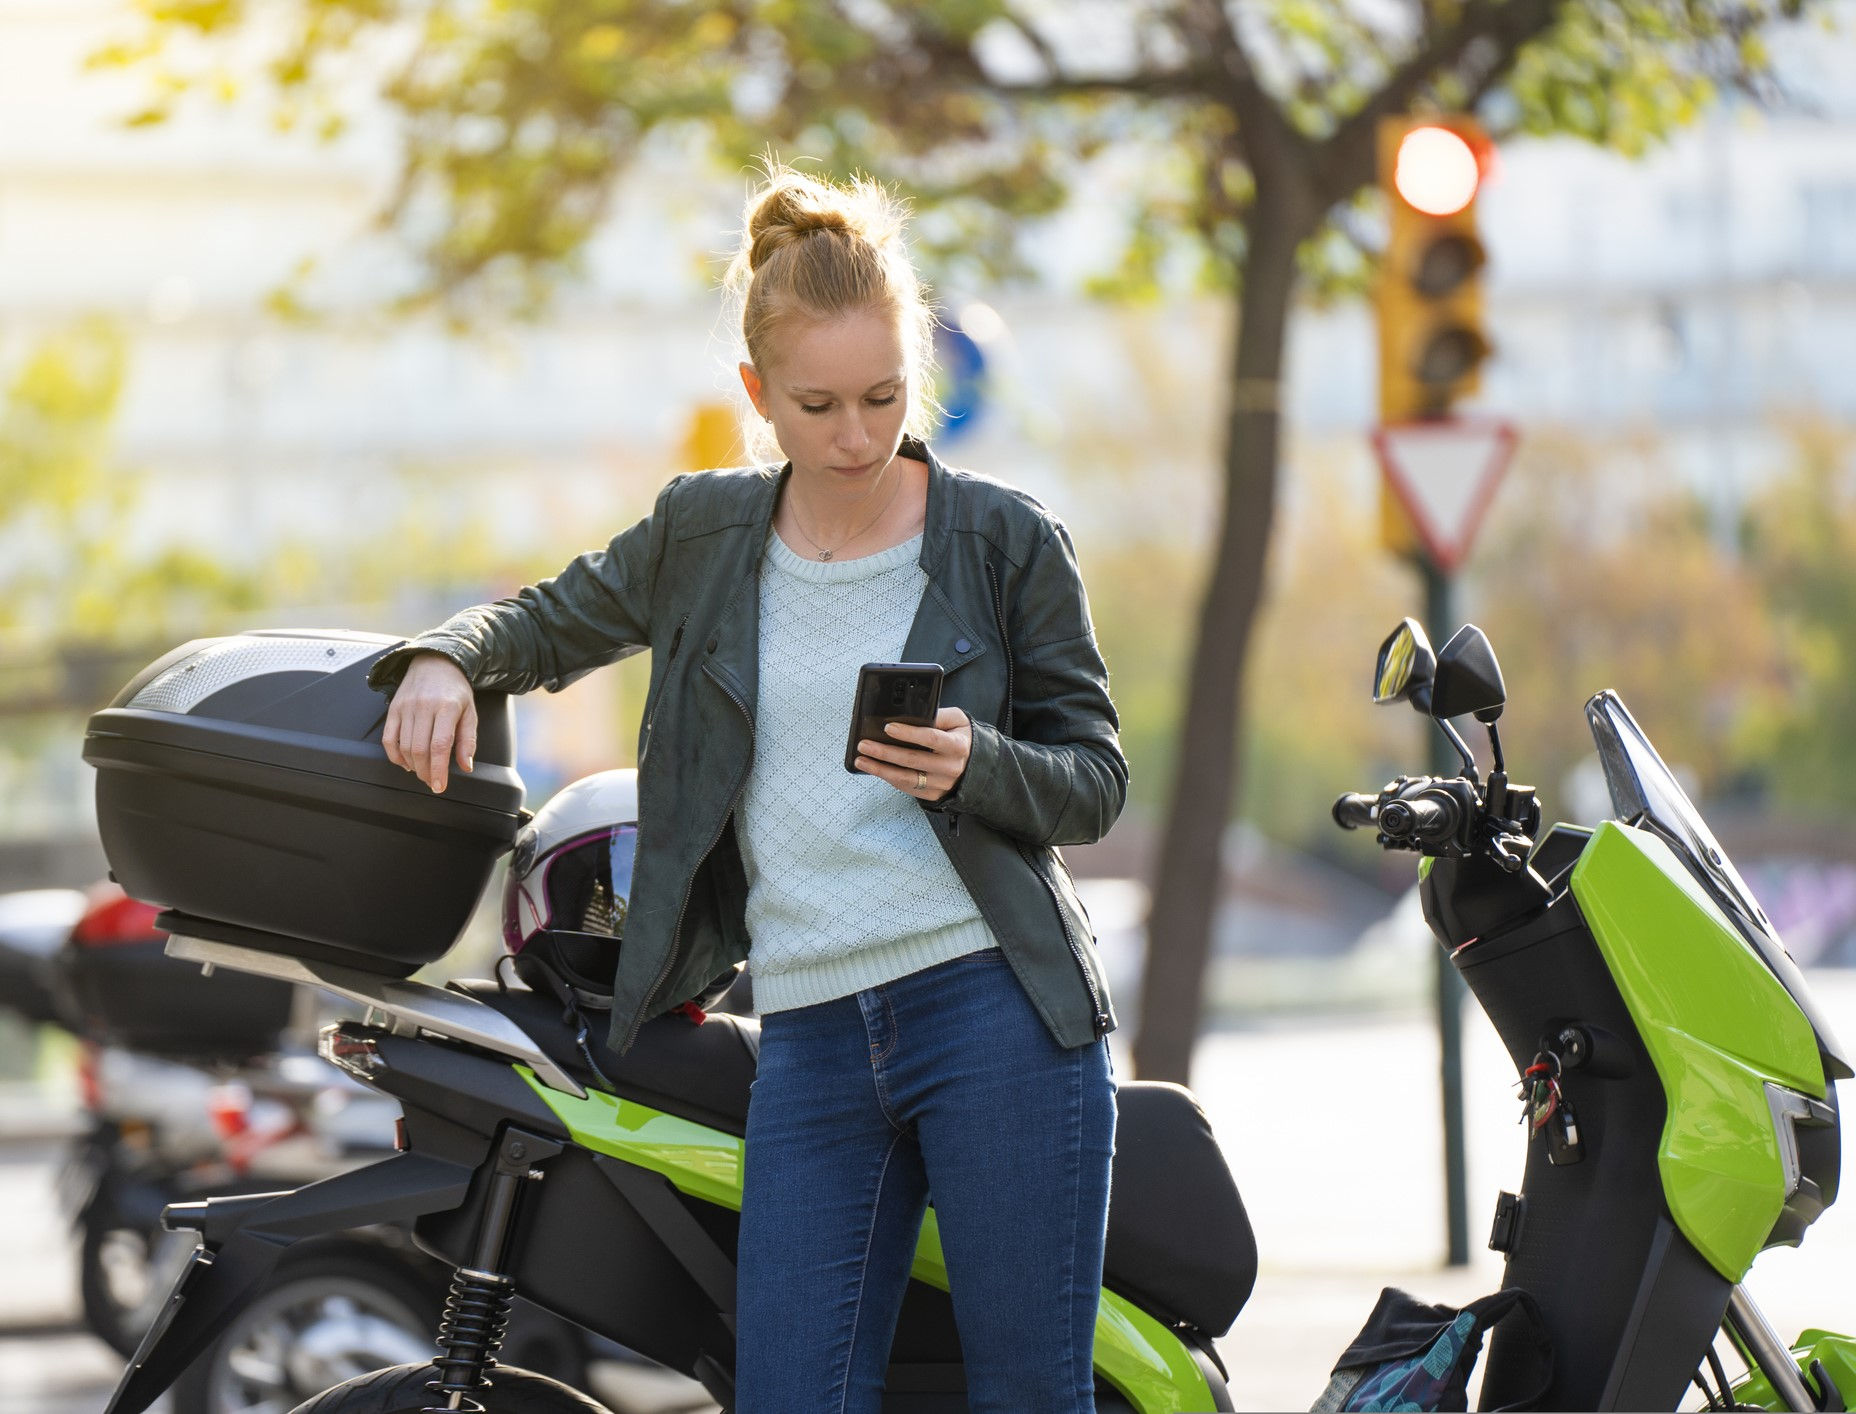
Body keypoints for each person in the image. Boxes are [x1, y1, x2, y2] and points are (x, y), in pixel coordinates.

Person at [369, 161, 1125, 1413]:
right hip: (815, 1033)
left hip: (994, 1010)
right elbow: (549, 622)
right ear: (754, 393)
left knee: (1027, 1399)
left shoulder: (1004, 539)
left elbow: (1094, 781)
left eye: (883, 396)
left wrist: (971, 763)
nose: (854, 434)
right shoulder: (704, 533)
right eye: (817, 403)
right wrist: (446, 655)